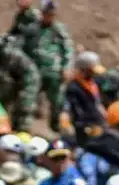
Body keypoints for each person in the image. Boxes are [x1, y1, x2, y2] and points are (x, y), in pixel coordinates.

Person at [19, 1, 74, 132]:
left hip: (54, 72)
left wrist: (66, 67)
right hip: (34, 71)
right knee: (29, 98)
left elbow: (67, 49)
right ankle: (25, 126)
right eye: (47, 14)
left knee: (57, 102)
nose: (49, 17)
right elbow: (24, 45)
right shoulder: (33, 28)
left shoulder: (59, 29)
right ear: (42, 13)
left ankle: (56, 126)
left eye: (52, 14)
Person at [0, 34, 40, 132]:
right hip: (15, 80)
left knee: (24, 104)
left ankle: (23, 130)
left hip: (29, 78)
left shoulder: (7, 54)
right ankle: (7, 125)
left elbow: (5, 79)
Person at [67, 52, 108, 134]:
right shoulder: (74, 88)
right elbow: (77, 112)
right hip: (86, 128)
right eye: (91, 71)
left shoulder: (92, 83)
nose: (94, 75)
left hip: (99, 124)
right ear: (84, 70)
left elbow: (97, 103)